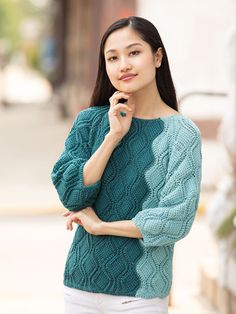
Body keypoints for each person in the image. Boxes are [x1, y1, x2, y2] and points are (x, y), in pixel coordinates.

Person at [51, 16, 202, 314]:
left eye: (134, 53)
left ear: (157, 57)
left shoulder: (182, 134)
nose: (123, 65)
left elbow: (175, 218)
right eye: (113, 57)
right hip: (80, 285)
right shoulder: (91, 121)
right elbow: (71, 194)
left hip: (139, 296)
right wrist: (112, 137)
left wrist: (102, 226)